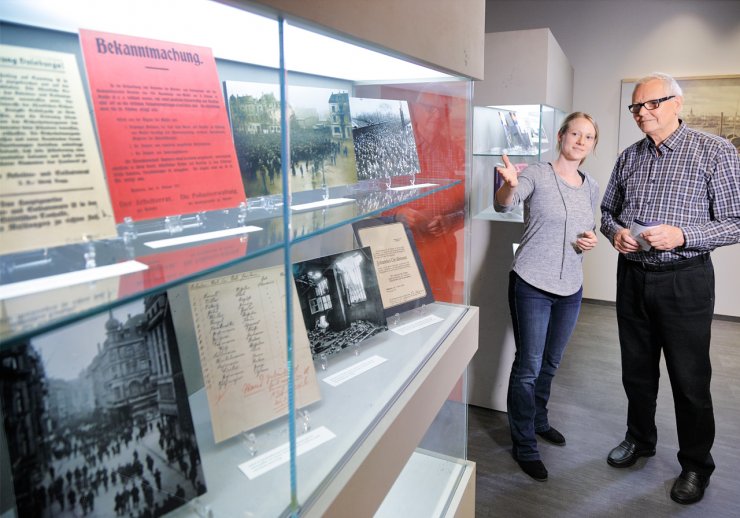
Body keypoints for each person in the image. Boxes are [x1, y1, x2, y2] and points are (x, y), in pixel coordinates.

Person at [600, 72, 740, 505]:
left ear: (677, 103)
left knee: (689, 379)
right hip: (634, 278)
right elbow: (607, 211)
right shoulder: (627, 157)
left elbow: (735, 221)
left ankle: (696, 465)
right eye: (636, 107)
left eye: (652, 104)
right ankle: (640, 439)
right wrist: (616, 233)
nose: (642, 113)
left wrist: (683, 235)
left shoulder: (715, 151)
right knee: (636, 372)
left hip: (686, 281)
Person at [494, 112, 600, 481]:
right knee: (528, 367)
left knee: (551, 364)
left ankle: (539, 420)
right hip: (532, 284)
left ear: (592, 145)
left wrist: (591, 239)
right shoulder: (536, 174)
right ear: (561, 136)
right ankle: (524, 445)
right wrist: (508, 185)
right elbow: (505, 204)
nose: (581, 141)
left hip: (571, 287)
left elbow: (589, 229)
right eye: (575, 133)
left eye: (588, 137)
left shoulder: (590, 185)